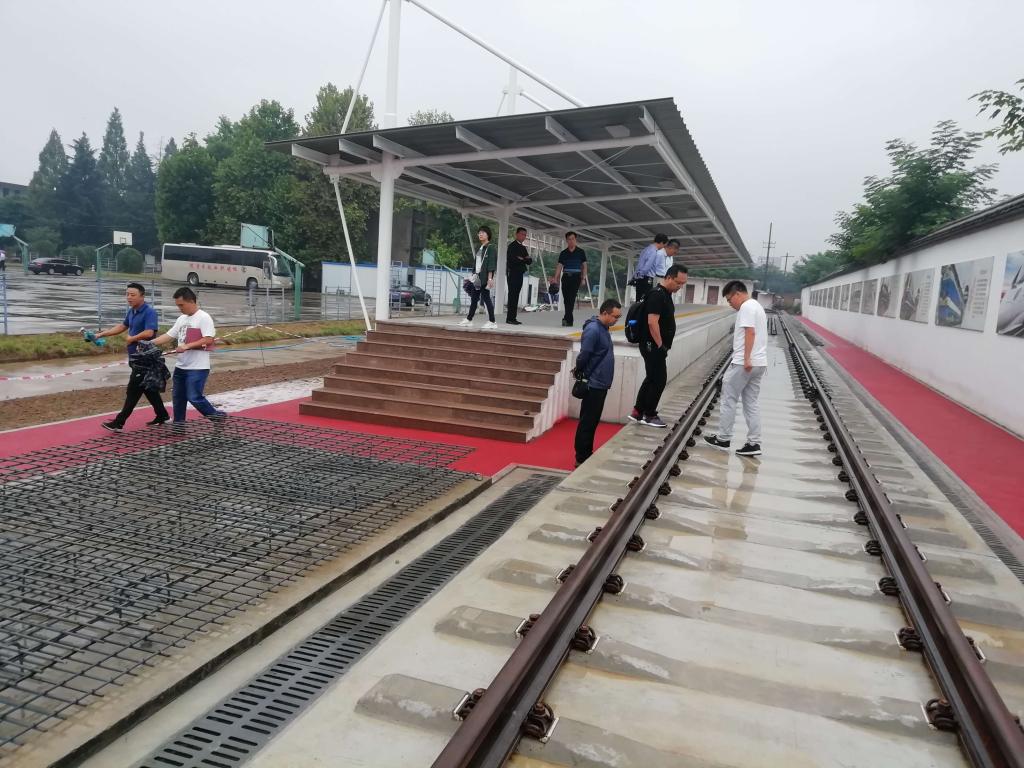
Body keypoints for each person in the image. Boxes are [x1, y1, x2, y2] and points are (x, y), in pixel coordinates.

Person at [704, 280, 768, 457]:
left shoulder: (746, 307)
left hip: (743, 363)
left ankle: (723, 439)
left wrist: (746, 358)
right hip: (760, 363)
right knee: (751, 403)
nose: (729, 303)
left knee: (728, 399)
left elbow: (750, 332)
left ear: (737, 294)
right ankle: (754, 442)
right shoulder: (757, 306)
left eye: (729, 299)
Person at [99, 283, 170, 432]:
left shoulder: (149, 312)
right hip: (134, 358)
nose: (129, 297)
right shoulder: (132, 311)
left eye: (133, 295)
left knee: (133, 391)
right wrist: (101, 334)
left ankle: (119, 422)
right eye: (127, 294)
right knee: (148, 389)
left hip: (144, 359)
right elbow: (122, 326)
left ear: (142, 296)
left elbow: (150, 332)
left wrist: (132, 338)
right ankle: (162, 415)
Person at [152, 286, 226, 425]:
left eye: (181, 305)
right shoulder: (181, 319)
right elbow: (169, 335)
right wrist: (150, 343)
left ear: (191, 301)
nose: (179, 308)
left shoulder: (204, 317)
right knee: (178, 397)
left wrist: (187, 346)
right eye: (178, 305)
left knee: (194, 397)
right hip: (181, 366)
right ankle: (179, 424)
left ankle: (217, 417)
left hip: (198, 367)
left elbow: (208, 339)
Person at [630, 265, 688, 428]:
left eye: (683, 284)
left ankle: (638, 411)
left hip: (652, 345)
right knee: (659, 380)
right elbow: (652, 322)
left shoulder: (664, 294)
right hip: (652, 345)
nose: (680, 286)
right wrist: (661, 344)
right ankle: (649, 414)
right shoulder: (657, 295)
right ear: (668, 277)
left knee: (651, 377)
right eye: (678, 282)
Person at [573, 299, 622, 466]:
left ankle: (586, 452)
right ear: (605, 313)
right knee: (588, 421)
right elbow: (585, 354)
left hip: (600, 382)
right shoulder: (594, 329)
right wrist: (580, 370)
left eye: (619, 317)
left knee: (592, 420)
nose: (617, 320)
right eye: (615, 316)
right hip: (593, 383)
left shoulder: (603, 328)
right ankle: (582, 456)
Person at [459, 226, 497, 329]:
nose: (480, 234)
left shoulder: (491, 248)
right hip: (477, 279)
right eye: (479, 233)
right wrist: (472, 275)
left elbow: (491, 264)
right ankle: (469, 319)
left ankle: (492, 321)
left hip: (484, 278)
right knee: (474, 299)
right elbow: (476, 264)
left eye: (483, 232)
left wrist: (490, 279)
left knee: (486, 299)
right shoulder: (480, 248)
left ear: (488, 235)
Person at [553, 231, 587, 327]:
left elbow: (584, 266)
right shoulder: (563, 253)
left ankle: (567, 319)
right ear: (567, 241)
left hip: (576, 277)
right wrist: (555, 277)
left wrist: (583, 278)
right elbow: (559, 266)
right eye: (569, 239)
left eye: (573, 239)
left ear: (575, 240)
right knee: (566, 299)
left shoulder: (581, 252)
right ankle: (568, 319)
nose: (571, 241)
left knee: (571, 298)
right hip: (566, 277)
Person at [505, 226, 532, 325]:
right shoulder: (512, 246)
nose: (523, 236)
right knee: (512, 295)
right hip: (513, 273)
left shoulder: (523, 247)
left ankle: (513, 317)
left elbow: (529, 261)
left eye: (525, 235)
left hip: (520, 273)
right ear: (516, 234)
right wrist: (524, 259)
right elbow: (514, 260)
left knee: (516, 295)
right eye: (522, 234)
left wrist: (522, 259)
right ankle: (510, 318)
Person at [632, 234, 667, 301]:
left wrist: (636, 276)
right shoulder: (653, 252)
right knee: (646, 299)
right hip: (646, 278)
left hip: (639, 277)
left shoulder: (646, 249)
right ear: (662, 243)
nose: (663, 247)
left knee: (638, 299)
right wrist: (642, 274)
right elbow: (647, 266)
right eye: (664, 245)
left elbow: (640, 264)